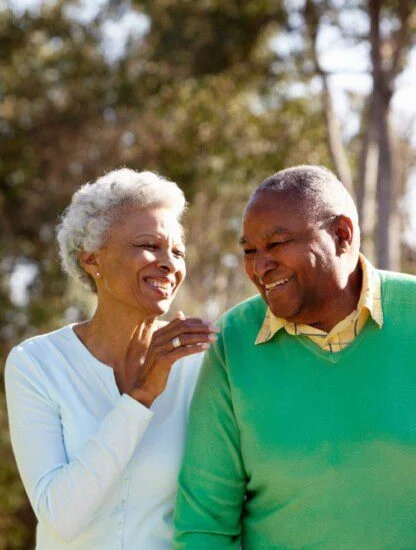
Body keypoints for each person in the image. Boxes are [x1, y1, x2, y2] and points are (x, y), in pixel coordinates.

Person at [173, 165, 416, 549]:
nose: (259, 266)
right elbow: (205, 524)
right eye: (250, 251)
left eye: (276, 244)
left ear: (342, 235)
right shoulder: (233, 342)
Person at [5, 168, 219, 549]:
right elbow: (59, 516)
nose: (169, 263)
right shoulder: (36, 364)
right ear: (92, 260)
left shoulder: (199, 363)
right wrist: (140, 397)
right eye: (148, 245)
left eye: (177, 251)